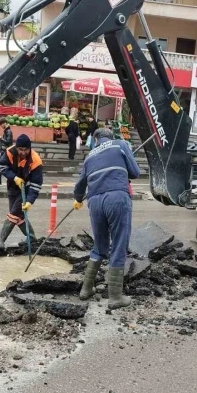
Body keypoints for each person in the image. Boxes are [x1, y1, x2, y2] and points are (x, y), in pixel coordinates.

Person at [72, 128, 140, 309]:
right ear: (111, 137)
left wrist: (78, 199)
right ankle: (115, 297)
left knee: (100, 245)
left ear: (95, 139)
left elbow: (79, 186)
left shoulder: (89, 157)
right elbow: (135, 172)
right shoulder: (121, 144)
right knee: (118, 244)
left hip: (94, 202)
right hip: (117, 197)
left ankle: (86, 290)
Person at [0, 134, 43, 251]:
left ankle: (1, 241)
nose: (23, 152)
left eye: (26, 150)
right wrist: (15, 178)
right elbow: (1, 166)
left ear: (29, 148)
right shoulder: (9, 152)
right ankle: (31, 238)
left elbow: (36, 184)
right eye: (20, 149)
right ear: (16, 148)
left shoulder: (35, 160)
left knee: (14, 213)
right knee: (18, 215)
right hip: (12, 186)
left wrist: (30, 201)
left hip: (26, 189)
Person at [0, 118, 14, 186]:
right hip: (5, 151)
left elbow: (8, 142)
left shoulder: (8, 131)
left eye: (1, 124)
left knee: (1, 166)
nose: (1, 126)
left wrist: (1, 138)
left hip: (6, 152)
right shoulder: (6, 131)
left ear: (4, 123)